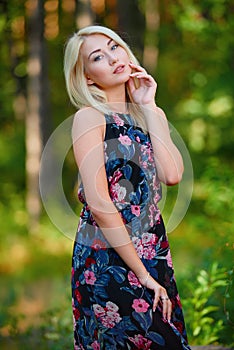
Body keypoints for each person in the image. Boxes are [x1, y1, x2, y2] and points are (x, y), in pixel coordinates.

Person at [64, 25, 191, 350]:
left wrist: (149, 106)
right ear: (88, 76)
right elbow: (100, 203)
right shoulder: (90, 118)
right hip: (108, 257)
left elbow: (173, 173)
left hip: (152, 248)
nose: (112, 58)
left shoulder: (147, 114)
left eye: (113, 47)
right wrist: (142, 274)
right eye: (97, 56)